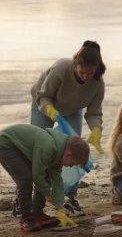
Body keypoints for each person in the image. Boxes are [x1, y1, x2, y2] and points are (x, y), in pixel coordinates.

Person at [30, 40, 106, 216]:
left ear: (96, 69)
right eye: (82, 72)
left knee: (74, 153)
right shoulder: (60, 70)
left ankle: (70, 198)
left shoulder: (97, 83)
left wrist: (96, 131)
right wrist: (51, 112)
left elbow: (94, 113)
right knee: (39, 150)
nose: (85, 77)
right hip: (44, 105)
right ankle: (30, 200)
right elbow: (44, 97)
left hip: (72, 110)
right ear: (75, 64)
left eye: (90, 73)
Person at [0, 123, 90, 232]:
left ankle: (37, 213)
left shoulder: (59, 154)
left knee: (46, 176)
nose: (71, 166)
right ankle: (26, 216)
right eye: (73, 163)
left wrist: (60, 209)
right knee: (26, 178)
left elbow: (57, 181)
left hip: (21, 148)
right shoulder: (47, 147)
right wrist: (47, 194)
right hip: (5, 144)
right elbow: (38, 176)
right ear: (68, 155)